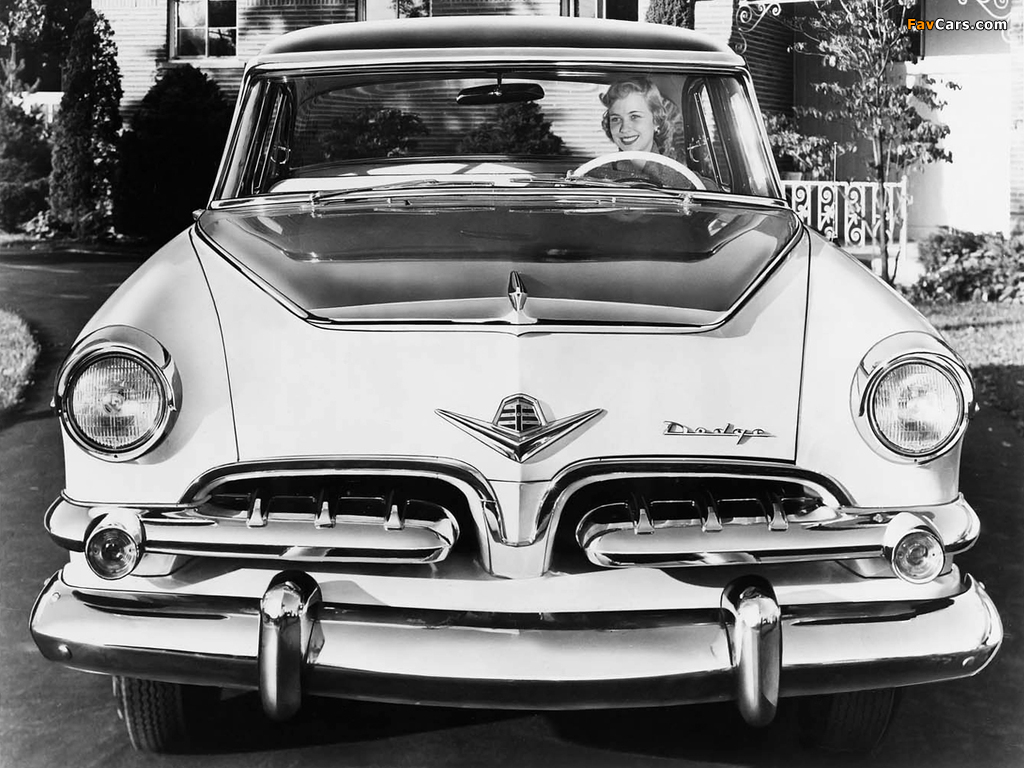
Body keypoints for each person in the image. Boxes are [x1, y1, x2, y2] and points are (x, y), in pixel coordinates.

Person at [596, 77, 693, 187]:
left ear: (656, 120)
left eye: (634, 116)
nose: (624, 129)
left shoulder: (683, 178)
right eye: (616, 119)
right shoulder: (596, 178)